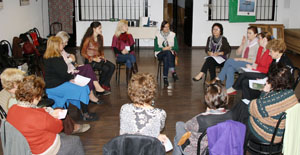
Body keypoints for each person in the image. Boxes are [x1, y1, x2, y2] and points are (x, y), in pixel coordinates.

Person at [7, 75, 85, 155]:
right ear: (35, 97)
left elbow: (28, 121)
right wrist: (55, 117)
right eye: (39, 95)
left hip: (27, 147)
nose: (40, 98)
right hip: (43, 150)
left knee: (65, 137)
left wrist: (43, 113)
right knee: (76, 141)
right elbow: (58, 128)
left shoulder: (12, 109)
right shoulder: (38, 116)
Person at [245, 64, 298, 151]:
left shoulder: (273, 100)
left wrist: (264, 92)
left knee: (243, 115)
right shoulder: (291, 94)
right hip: (280, 131)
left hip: (267, 135)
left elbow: (252, 108)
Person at [44, 36, 97, 121]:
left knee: (81, 87)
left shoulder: (49, 57)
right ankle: (85, 114)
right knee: (83, 88)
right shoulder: (55, 58)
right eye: (61, 43)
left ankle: (83, 111)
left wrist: (70, 79)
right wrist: (71, 79)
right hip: (56, 86)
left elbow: (61, 73)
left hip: (55, 84)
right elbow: (62, 73)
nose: (63, 45)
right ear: (56, 45)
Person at [173, 81, 232, 155]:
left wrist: (206, 113)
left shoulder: (201, 119)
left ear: (207, 99)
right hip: (218, 148)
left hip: (198, 150)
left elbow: (187, 126)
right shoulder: (231, 116)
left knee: (179, 125)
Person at [57, 31, 110, 98]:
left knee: (88, 67)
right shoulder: (57, 52)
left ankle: (94, 91)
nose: (66, 44)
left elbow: (68, 56)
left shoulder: (62, 50)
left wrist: (72, 58)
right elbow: (62, 64)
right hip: (69, 73)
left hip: (73, 68)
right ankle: (94, 91)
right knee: (88, 72)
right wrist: (70, 59)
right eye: (65, 42)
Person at [120, 73, 168, 143]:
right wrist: (157, 136)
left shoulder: (124, 108)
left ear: (131, 91)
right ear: (152, 92)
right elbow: (158, 129)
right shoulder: (160, 113)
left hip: (127, 149)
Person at [216, 26, 259, 94]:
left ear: (255, 34)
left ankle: (220, 77)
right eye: (247, 33)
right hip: (242, 63)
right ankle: (230, 89)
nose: (248, 35)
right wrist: (242, 44)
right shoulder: (247, 42)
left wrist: (241, 59)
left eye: (250, 33)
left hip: (250, 65)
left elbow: (255, 60)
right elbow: (237, 53)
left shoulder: (258, 44)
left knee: (229, 61)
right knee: (230, 68)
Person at [230, 32, 274, 99]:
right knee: (245, 82)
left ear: (265, 39)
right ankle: (246, 101)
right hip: (258, 71)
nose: (258, 40)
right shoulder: (260, 48)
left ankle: (234, 88)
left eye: (259, 39)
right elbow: (256, 62)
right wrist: (253, 66)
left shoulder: (270, 52)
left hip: (265, 74)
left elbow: (267, 70)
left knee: (244, 74)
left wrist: (254, 68)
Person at [81, 21, 115, 91]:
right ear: (94, 29)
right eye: (99, 28)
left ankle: (103, 84)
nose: (101, 30)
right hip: (90, 60)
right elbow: (82, 53)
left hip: (98, 58)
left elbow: (101, 49)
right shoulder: (88, 39)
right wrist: (93, 59)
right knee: (106, 68)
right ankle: (102, 86)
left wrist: (102, 56)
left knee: (112, 66)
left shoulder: (100, 37)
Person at [112, 19, 138, 84]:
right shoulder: (116, 36)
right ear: (121, 27)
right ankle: (137, 75)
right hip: (120, 56)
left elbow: (132, 47)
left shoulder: (129, 35)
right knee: (131, 57)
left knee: (129, 61)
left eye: (127, 25)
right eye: (125, 26)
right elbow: (114, 48)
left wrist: (127, 51)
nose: (127, 27)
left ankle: (128, 82)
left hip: (129, 54)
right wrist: (121, 52)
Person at [154, 20, 179, 87]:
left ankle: (165, 78)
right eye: (165, 27)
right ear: (162, 28)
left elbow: (177, 48)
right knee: (167, 53)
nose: (167, 29)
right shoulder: (157, 35)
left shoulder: (173, 35)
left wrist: (170, 48)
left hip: (170, 53)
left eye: (168, 27)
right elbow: (156, 49)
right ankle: (173, 71)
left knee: (166, 58)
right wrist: (163, 48)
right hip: (160, 53)